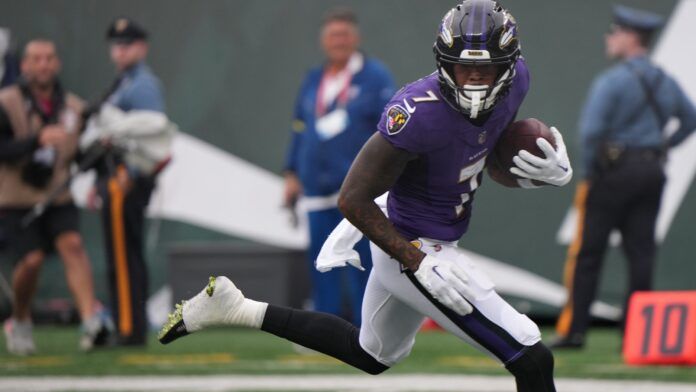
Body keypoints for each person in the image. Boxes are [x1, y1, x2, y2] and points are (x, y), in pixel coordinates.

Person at [161, 2, 571, 390]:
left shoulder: (517, 82)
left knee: (372, 354)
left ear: (509, 65)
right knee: (531, 357)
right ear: (445, 62)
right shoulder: (417, 112)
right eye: (465, 68)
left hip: (437, 240)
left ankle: (235, 308)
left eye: (488, 70)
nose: (475, 80)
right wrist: (417, 261)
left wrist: (538, 172)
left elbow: (482, 154)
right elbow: (352, 198)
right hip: (410, 246)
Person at [551, 5, 696, 350]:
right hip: (651, 171)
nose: (609, 38)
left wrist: (591, 173)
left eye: (615, 32)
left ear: (630, 38)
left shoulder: (612, 81)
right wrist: (663, 146)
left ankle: (575, 332)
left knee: (588, 254)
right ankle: (637, 334)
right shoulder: (664, 80)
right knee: (641, 254)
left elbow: (591, 133)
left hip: (612, 172)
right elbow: (690, 119)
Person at [283, 8, 395, 325]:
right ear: (324, 41)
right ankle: (324, 328)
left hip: (359, 189)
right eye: (333, 35)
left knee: (363, 262)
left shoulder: (374, 77)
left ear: (355, 38)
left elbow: (389, 128)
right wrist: (291, 172)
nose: (339, 41)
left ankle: (369, 328)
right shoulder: (314, 79)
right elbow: (299, 127)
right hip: (316, 188)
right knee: (323, 262)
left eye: (344, 35)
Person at [0, 39, 112, 355]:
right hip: (16, 199)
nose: (43, 65)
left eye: (49, 58)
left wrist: (99, 152)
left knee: (73, 246)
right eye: (36, 59)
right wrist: (36, 141)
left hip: (57, 195)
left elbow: (76, 155)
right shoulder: (6, 102)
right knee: (31, 261)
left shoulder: (73, 107)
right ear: (24, 65)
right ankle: (20, 319)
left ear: (57, 64)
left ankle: (91, 322)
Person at [86, 17, 168, 346]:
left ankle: (128, 327)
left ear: (142, 47)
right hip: (115, 174)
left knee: (123, 255)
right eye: (116, 46)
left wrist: (129, 175)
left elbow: (152, 133)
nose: (120, 51)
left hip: (127, 177)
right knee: (124, 252)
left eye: (127, 45)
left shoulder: (142, 85)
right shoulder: (124, 81)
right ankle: (129, 323)